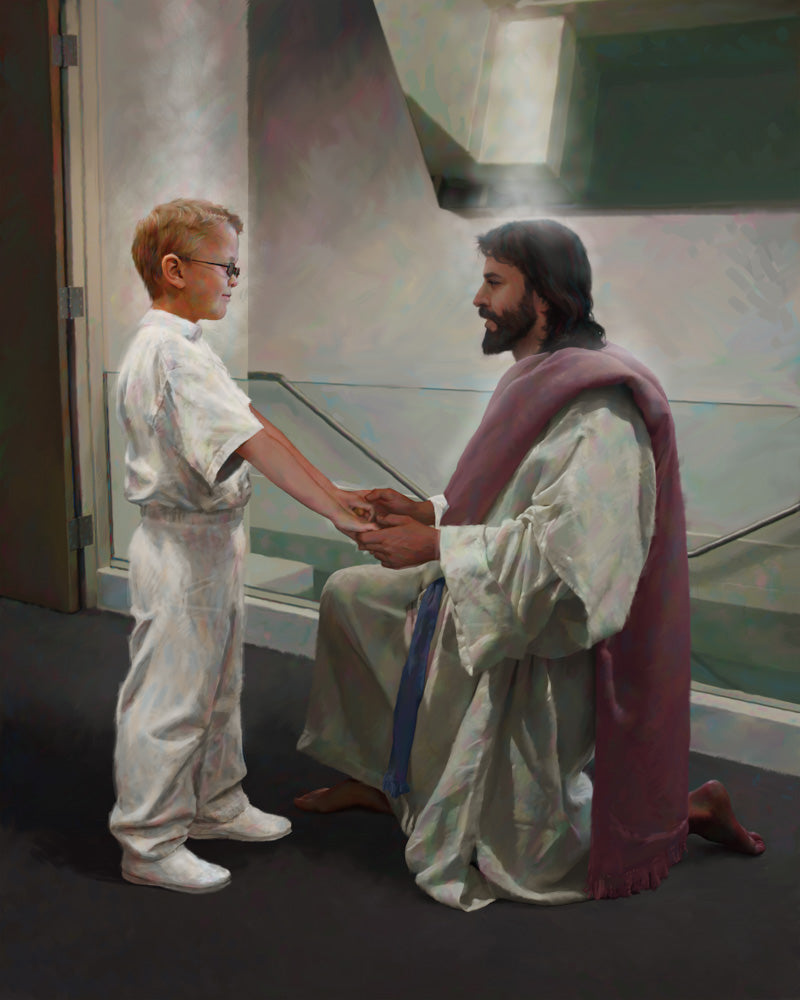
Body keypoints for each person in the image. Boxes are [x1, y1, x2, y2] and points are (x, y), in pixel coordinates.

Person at [294, 219, 765, 911]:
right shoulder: (537, 377)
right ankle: (383, 774)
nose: (478, 299)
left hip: (539, 634)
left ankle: (686, 812)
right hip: (485, 585)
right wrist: (429, 512)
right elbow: (510, 495)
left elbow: (575, 557)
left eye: (493, 282)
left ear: (540, 297)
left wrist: (436, 547)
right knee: (351, 596)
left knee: (531, 851)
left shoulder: (601, 407)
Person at [110, 198, 374, 894]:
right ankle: (148, 838)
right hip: (181, 548)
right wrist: (340, 517)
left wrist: (337, 494)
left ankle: (214, 804)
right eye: (224, 265)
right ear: (173, 269)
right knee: (172, 697)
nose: (234, 278)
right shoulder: (169, 352)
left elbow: (255, 424)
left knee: (218, 687)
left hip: (210, 542)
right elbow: (255, 445)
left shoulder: (190, 347)